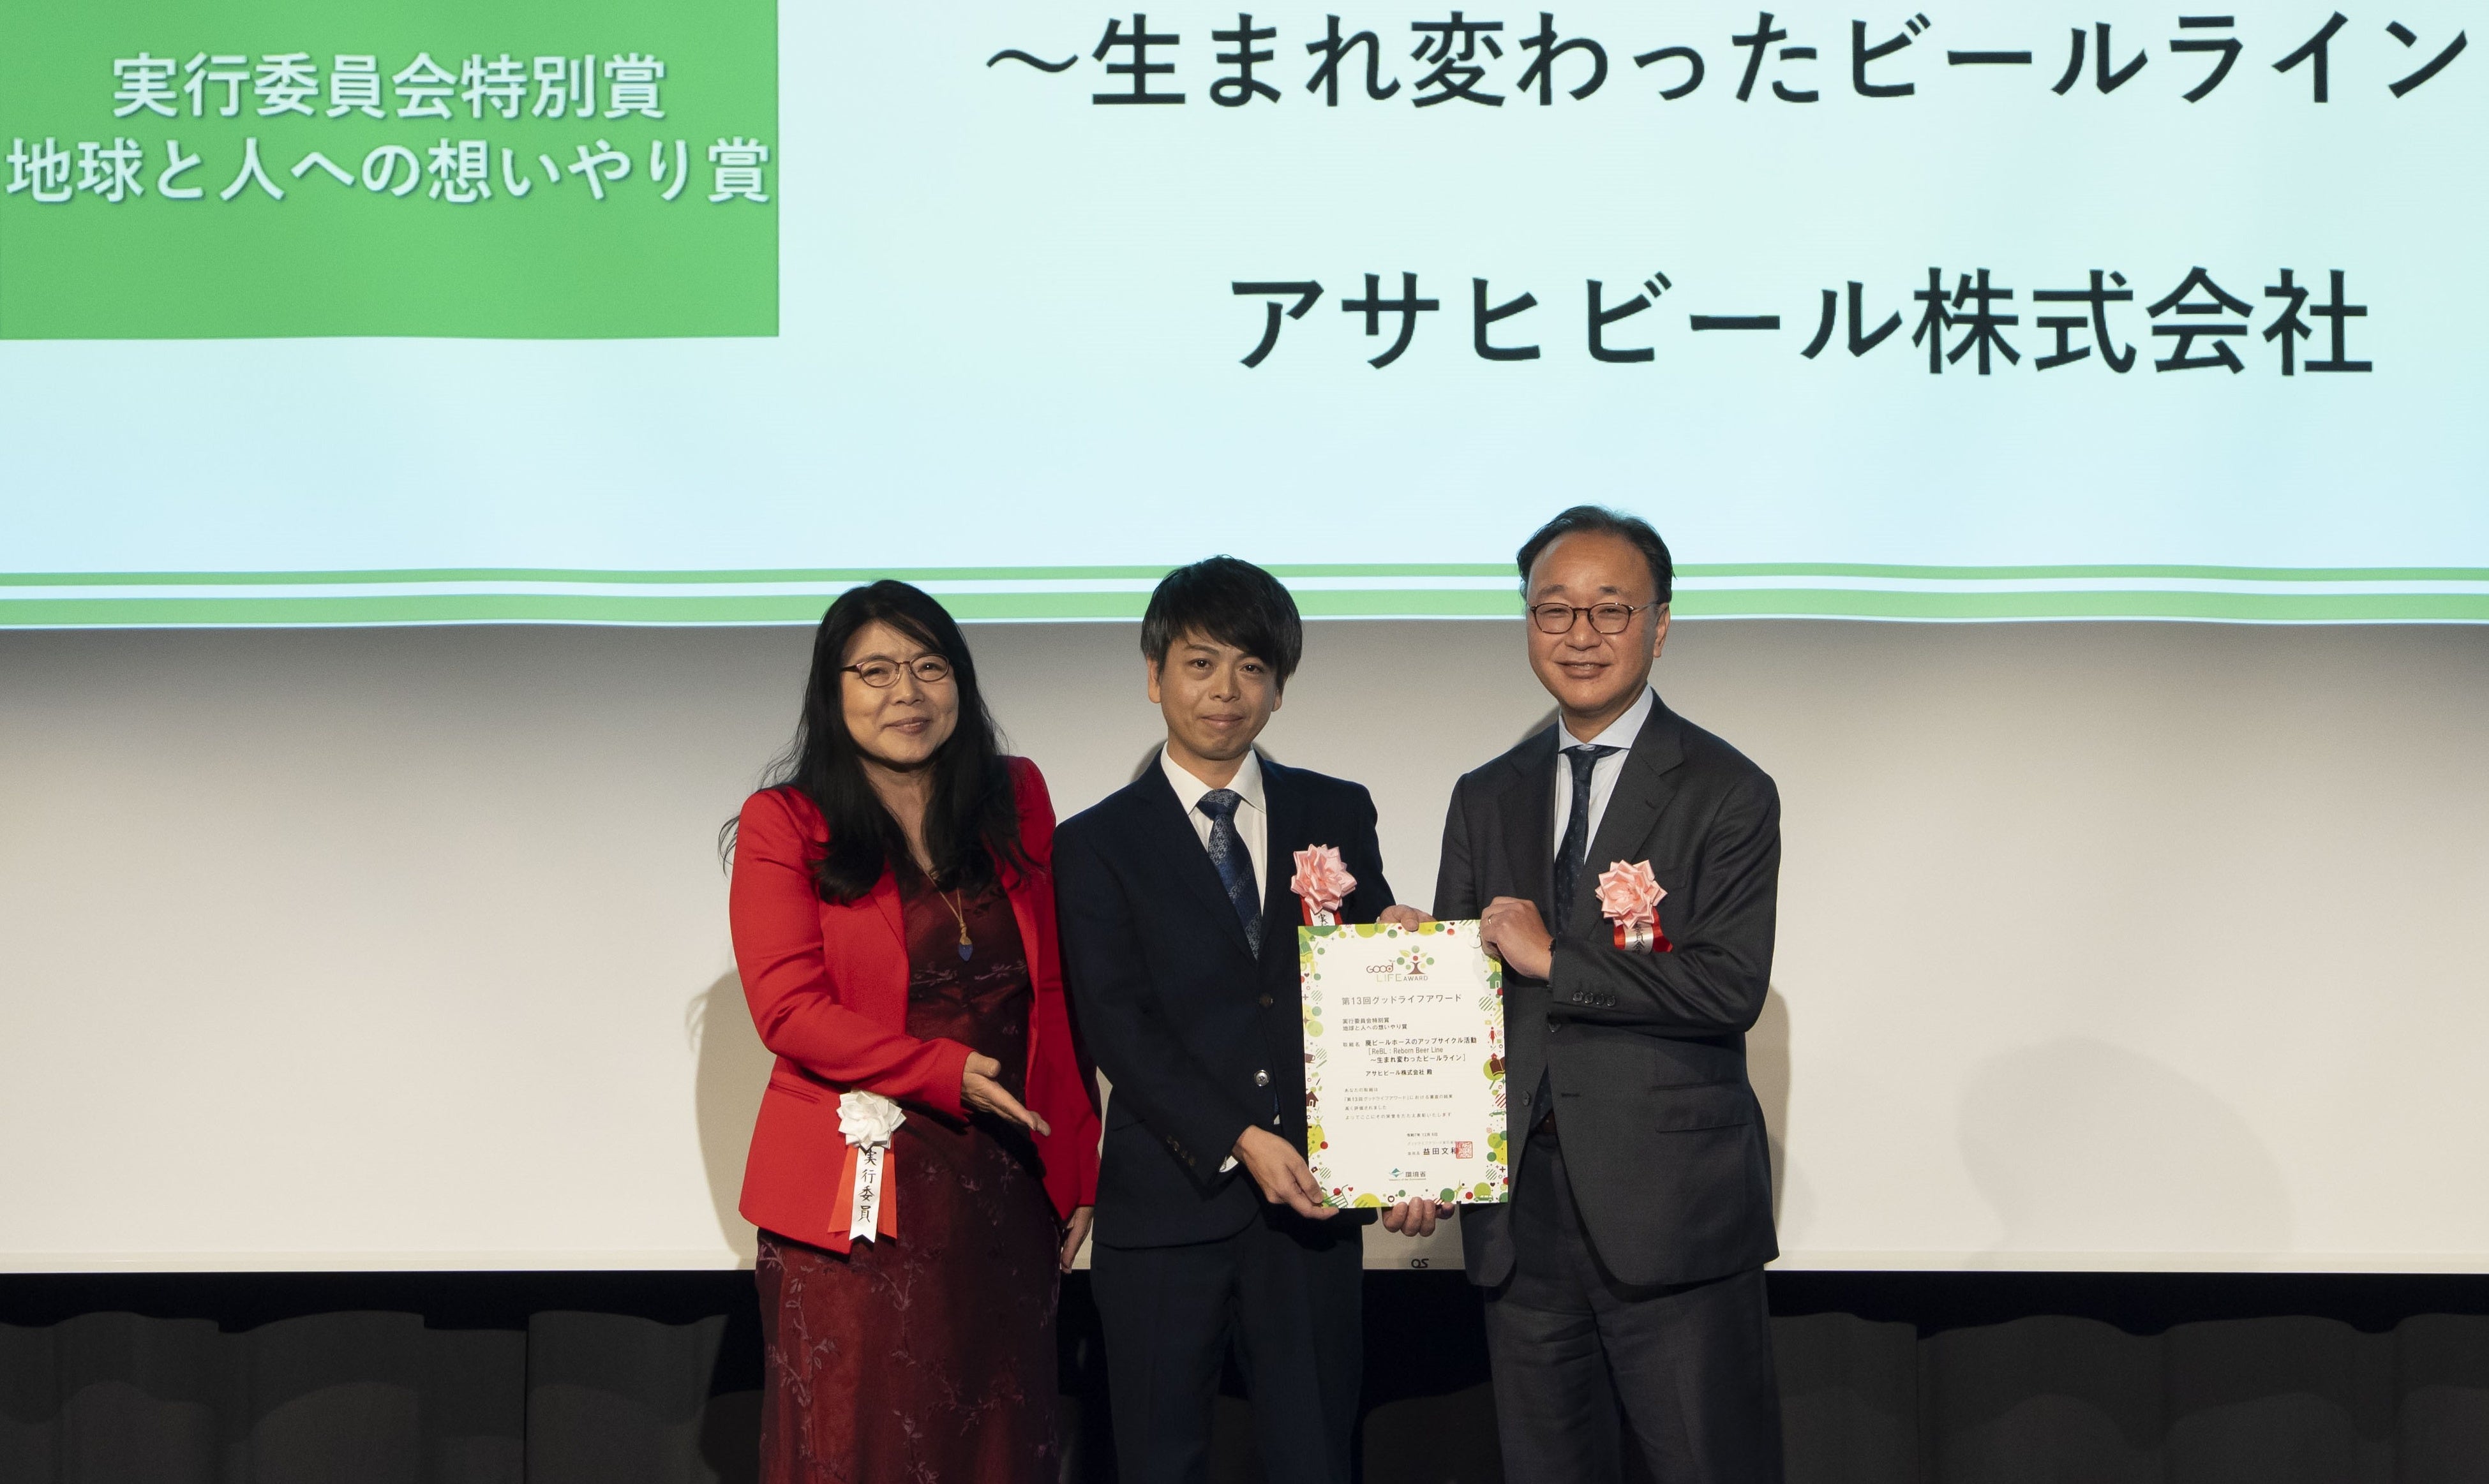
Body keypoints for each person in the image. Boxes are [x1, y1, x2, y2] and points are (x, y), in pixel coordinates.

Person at [1052, 557, 1430, 1484]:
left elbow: (1366, 991)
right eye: (1200, 662)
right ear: (1154, 675)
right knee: (1157, 1461)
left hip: (1311, 1212)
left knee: (1316, 1458)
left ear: (1279, 686)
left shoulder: (1334, 809)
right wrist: (1238, 1138)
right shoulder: (1095, 841)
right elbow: (1118, 1024)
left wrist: (1404, 956)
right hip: (1165, 1207)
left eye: (1252, 667)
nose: (1226, 690)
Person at [726, 580, 1101, 1484]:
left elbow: (1051, 986)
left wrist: (1080, 1161)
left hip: (1002, 1188)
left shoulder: (1017, 794)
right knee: (863, 1444)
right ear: (834, 689)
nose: (908, 692)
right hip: (857, 1201)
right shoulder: (787, 822)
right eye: (877, 670)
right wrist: (937, 1069)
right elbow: (787, 1009)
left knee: (999, 1443)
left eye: (931, 667)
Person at [1439, 507, 1785, 1482]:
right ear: (1527, 621)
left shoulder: (1727, 788)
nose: (1580, 634)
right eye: (1554, 609)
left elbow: (1729, 982)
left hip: (1670, 1210)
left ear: (1661, 624)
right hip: (1522, 1217)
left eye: (1609, 609)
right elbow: (1466, 1003)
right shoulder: (1487, 790)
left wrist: (1558, 962)